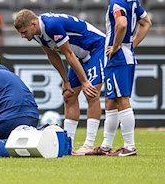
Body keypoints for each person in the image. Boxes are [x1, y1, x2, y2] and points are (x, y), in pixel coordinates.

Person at [14, 9, 103, 155]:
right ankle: (68, 145)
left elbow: (68, 53)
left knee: (91, 93)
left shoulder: (52, 26)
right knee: (69, 95)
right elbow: (52, 54)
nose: (23, 36)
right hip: (78, 56)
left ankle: (89, 144)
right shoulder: (36, 34)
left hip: (95, 48)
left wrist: (85, 81)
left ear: (34, 24)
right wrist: (66, 81)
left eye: (24, 32)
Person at [88, 0, 152, 156]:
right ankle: (106, 146)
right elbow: (146, 22)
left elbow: (122, 24)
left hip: (118, 58)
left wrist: (116, 46)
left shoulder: (116, 1)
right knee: (111, 100)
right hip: (125, 54)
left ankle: (129, 147)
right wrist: (130, 45)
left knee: (122, 99)